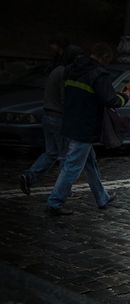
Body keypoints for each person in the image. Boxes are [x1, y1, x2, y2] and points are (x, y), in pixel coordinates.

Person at [45, 43, 130, 216]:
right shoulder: (98, 74)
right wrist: (125, 97)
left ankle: (102, 197)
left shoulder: (71, 70)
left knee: (90, 163)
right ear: (105, 57)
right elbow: (110, 100)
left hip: (69, 122)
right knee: (73, 166)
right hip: (85, 126)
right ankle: (55, 202)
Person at [19, 45, 83, 196]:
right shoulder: (65, 72)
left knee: (51, 153)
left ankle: (29, 176)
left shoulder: (56, 70)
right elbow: (64, 97)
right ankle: (63, 190)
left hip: (47, 116)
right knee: (65, 155)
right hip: (59, 118)